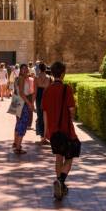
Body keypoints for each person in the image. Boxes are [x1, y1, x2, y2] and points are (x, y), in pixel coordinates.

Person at [42, 61, 81, 201]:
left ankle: (59, 186)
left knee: (58, 156)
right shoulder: (67, 89)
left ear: (52, 73)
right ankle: (61, 181)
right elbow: (71, 110)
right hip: (66, 130)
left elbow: (44, 112)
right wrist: (70, 118)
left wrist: (46, 131)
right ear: (63, 74)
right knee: (69, 157)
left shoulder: (47, 90)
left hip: (53, 131)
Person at [12, 63, 35, 155]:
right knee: (23, 124)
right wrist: (29, 103)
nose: (25, 70)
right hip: (21, 102)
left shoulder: (18, 78)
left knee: (19, 123)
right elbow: (21, 93)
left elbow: (16, 91)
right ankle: (18, 147)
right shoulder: (21, 79)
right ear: (20, 70)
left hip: (16, 101)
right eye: (23, 69)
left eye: (26, 69)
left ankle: (16, 144)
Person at [34, 62, 51, 145]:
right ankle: (45, 136)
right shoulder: (49, 77)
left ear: (39, 68)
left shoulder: (36, 78)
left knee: (40, 116)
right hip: (47, 96)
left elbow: (35, 91)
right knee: (46, 116)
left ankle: (42, 137)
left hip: (39, 97)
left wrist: (32, 101)